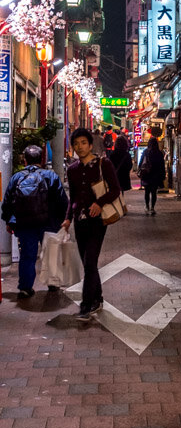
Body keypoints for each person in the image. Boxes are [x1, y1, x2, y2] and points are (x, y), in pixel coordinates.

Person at [62, 127, 122, 321]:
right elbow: (73, 198)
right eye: (76, 144)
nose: (80, 147)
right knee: (88, 263)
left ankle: (86, 305)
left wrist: (99, 203)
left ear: (90, 144)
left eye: (83, 143)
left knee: (90, 262)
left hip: (98, 222)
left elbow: (115, 190)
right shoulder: (72, 170)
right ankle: (98, 297)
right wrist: (68, 218)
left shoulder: (104, 165)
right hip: (79, 222)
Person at [1, 145, 68, 298]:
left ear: (25, 160)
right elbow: (62, 201)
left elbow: (7, 202)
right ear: (42, 159)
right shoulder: (51, 176)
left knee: (27, 256)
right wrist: (63, 220)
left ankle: (25, 287)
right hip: (48, 222)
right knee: (50, 253)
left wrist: (8, 221)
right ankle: (52, 283)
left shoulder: (17, 177)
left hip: (25, 224)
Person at [138, 135, 166, 215]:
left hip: (147, 174)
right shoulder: (159, 153)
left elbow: (141, 162)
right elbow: (162, 165)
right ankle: (152, 207)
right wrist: (163, 175)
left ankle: (147, 206)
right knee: (154, 192)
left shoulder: (146, 151)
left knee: (147, 191)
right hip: (156, 175)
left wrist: (140, 169)